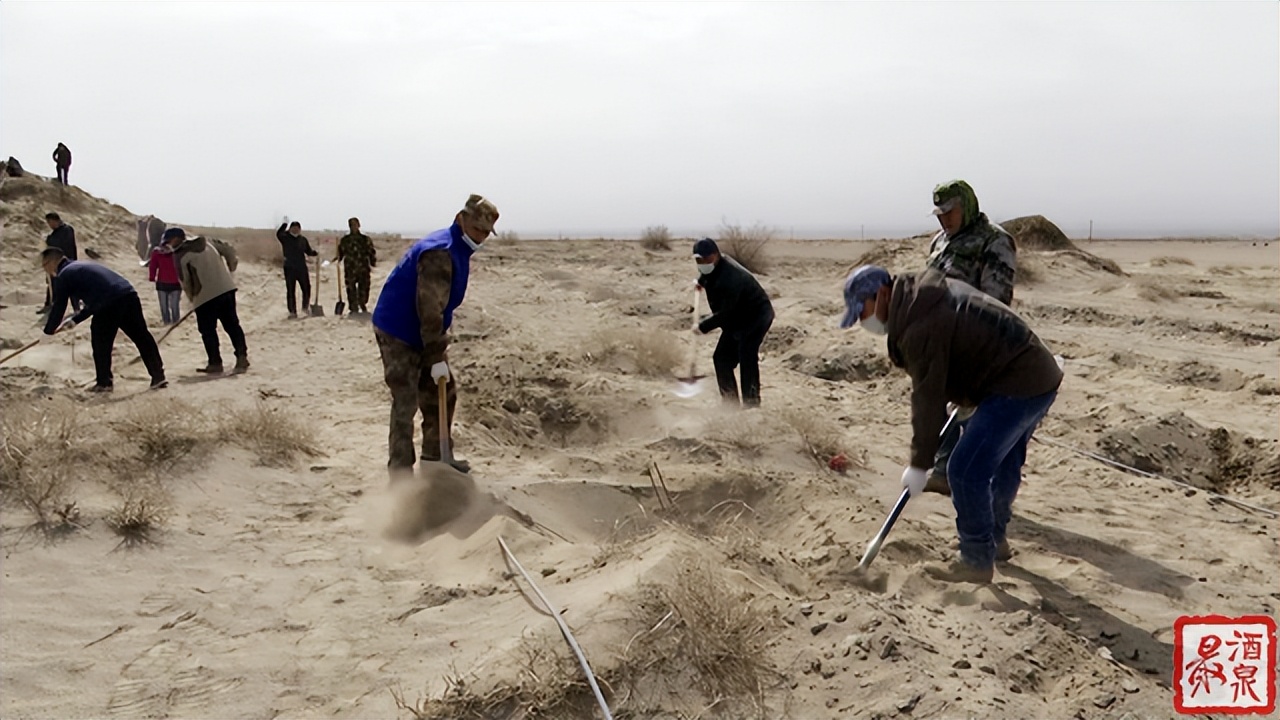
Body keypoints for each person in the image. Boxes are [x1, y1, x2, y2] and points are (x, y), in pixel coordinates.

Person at [839, 265, 1061, 583]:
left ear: (883, 294)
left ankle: (976, 561)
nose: (862, 320)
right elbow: (960, 342)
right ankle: (993, 539)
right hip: (1035, 372)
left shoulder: (919, 324)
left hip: (1018, 382)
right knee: (999, 463)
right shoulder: (920, 295)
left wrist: (919, 465)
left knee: (965, 470)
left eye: (863, 310)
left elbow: (927, 402)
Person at [371, 194, 499, 474]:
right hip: (398, 331)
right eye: (477, 229)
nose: (480, 237)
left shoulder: (458, 249)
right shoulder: (441, 252)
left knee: (443, 393)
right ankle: (401, 472)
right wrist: (435, 355)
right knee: (405, 401)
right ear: (460, 219)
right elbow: (429, 310)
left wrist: (435, 354)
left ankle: (436, 459)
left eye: (486, 232)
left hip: (423, 330)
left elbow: (440, 309)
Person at [923, 180, 1019, 496]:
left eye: (950, 212)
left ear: (968, 205)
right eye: (940, 214)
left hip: (974, 338)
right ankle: (944, 469)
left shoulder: (995, 240)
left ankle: (961, 477)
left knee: (969, 412)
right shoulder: (940, 241)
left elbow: (996, 299)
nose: (944, 219)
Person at [41, 247, 166, 392]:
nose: (46, 270)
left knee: (101, 343)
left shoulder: (64, 275)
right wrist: (75, 320)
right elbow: (96, 300)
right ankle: (158, 376)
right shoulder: (81, 266)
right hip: (128, 295)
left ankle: (104, 383)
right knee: (141, 336)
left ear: (51, 262)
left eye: (45, 266)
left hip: (109, 304)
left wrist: (48, 332)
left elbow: (59, 307)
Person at [692, 238, 775, 407]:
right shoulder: (715, 268)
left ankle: (752, 404)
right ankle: (730, 403)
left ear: (715, 256)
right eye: (698, 260)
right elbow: (708, 275)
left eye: (705, 260)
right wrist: (700, 282)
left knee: (747, 356)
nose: (702, 264)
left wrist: (702, 326)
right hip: (737, 318)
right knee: (721, 358)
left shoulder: (732, 278)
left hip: (756, 317)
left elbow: (725, 314)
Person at [166, 228, 249, 374]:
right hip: (226, 289)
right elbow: (229, 251)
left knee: (208, 331)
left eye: (169, 241)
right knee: (232, 325)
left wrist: (193, 299)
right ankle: (242, 357)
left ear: (177, 239)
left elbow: (185, 282)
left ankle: (215, 363)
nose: (169, 245)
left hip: (205, 297)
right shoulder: (207, 242)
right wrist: (229, 271)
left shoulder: (180, 256)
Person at [276, 220, 318, 317]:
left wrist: (315, 253)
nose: (295, 230)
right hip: (289, 267)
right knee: (291, 290)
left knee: (306, 288)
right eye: (293, 228)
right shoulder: (285, 238)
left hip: (301, 267)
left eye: (297, 228)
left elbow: (308, 251)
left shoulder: (302, 240)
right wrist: (284, 224)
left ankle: (305, 307)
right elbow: (278, 234)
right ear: (290, 228)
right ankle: (292, 311)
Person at [335, 217, 377, 314]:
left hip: (363, 267)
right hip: (350, 268)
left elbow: (371, 251)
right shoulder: (345, 240)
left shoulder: (365, 239)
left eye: (355, 224)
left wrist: (372, 261)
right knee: (351, 288)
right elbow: (340, 253)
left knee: (364, 287)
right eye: (351, 225)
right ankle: (353, 307)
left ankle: (362, 303)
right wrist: (338, 258)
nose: (353, 227)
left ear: (359, 225)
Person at [38, 212, 78, 315]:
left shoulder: (67, 230)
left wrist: (48, 240)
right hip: (55, 263)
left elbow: (59, 245)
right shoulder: (55, 232)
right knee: (52, 284)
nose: (49, 225)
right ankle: (49, 305)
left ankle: (76, 307)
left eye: (49, 222)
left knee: (70, 286)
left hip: (66, 262)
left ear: (54, 220)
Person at [148, 240, 182, 325]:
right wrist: (152, 277)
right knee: (164, 307)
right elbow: (153, 265)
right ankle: (166, 323)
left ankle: (175, 324)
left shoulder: (178, 253)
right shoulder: (157, 252)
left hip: (176, 284)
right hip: (162, 284)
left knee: (174, 307)